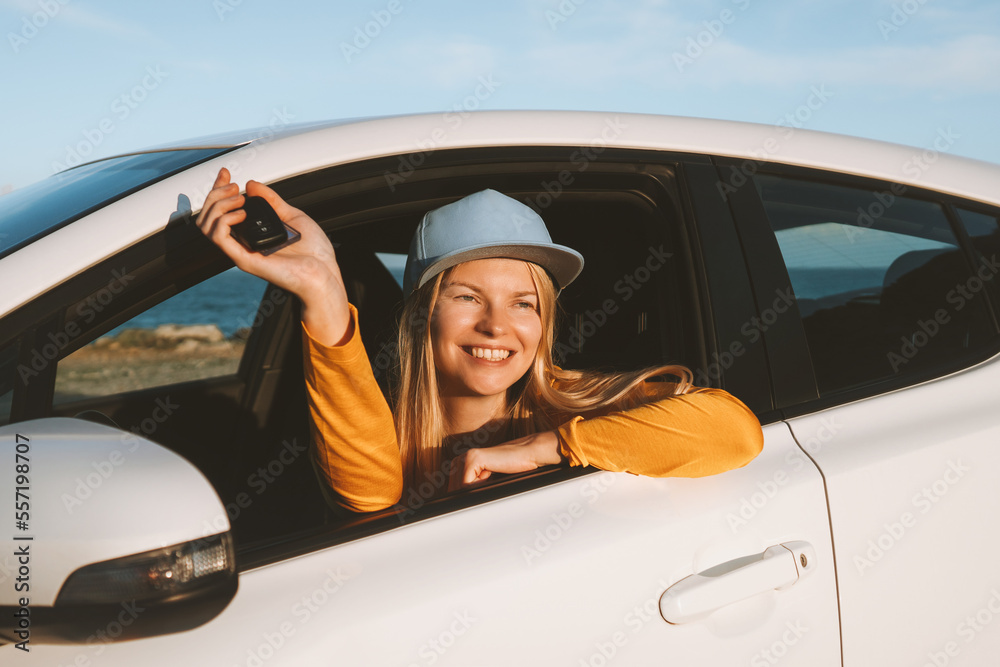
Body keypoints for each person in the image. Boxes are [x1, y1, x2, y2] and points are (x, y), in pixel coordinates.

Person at [196, 168, 764, 513]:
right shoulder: (382, 427)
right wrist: (322, 291)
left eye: (524, 304)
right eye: (468, 297)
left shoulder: (580, 405)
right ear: (420, 317)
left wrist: (545, 448)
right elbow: (368, 501)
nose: (498, 326)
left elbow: (735, 432)